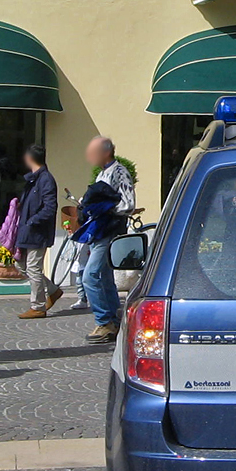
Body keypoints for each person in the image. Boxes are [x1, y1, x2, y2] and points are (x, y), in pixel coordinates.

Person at [80, 136, 134, 343]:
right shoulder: (103, 173)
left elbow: (128, 204)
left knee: (90, 275)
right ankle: (113, 319)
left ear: (106, 152)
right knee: (103, 275)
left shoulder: (119, 172)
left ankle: (104, 322)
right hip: (100, 229)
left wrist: (104, 209)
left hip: (110, 229)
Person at [16, 145, 63, 319]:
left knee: (33, 268)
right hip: (27, 230)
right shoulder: (33, 179)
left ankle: (38, 306)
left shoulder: (45, 179)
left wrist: (31, 222)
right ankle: (52, 291)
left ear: (30, 158)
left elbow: (50, 208)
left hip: (37, 232)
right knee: (20, 265)